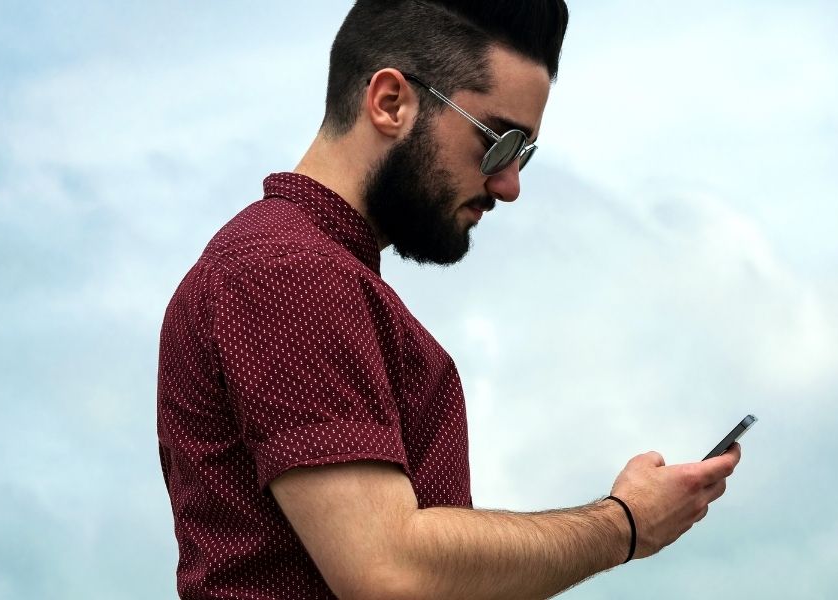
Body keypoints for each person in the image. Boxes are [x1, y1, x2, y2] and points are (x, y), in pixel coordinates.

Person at [156, 1, 741, 598]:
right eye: (499, 141)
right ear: (390, 102)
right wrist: (625, 524)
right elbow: (389, 572)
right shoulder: (287, 271)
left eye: (523, 154)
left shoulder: (301, 268)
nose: (509, 185)